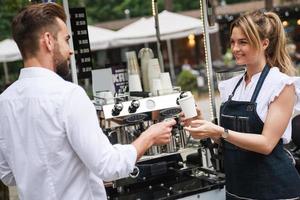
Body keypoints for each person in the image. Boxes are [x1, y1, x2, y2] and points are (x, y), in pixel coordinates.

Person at [0, 3, 175, 200]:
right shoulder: (69, 95)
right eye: (66, 40)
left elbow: (8, 175)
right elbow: (109, 166)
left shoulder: (4, 102)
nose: (70, 51)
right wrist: (149, 136)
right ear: (48, 41)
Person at [184, 11, 300, 199]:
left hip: (275, 190)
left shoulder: (281, 85)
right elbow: (229, 141)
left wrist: (220, 131)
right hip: (238, 189)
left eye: (243, 42)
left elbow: (266, 144)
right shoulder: (231, 86)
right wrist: (203, 125)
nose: (235, 48)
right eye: (233, 42)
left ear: (264, 43)